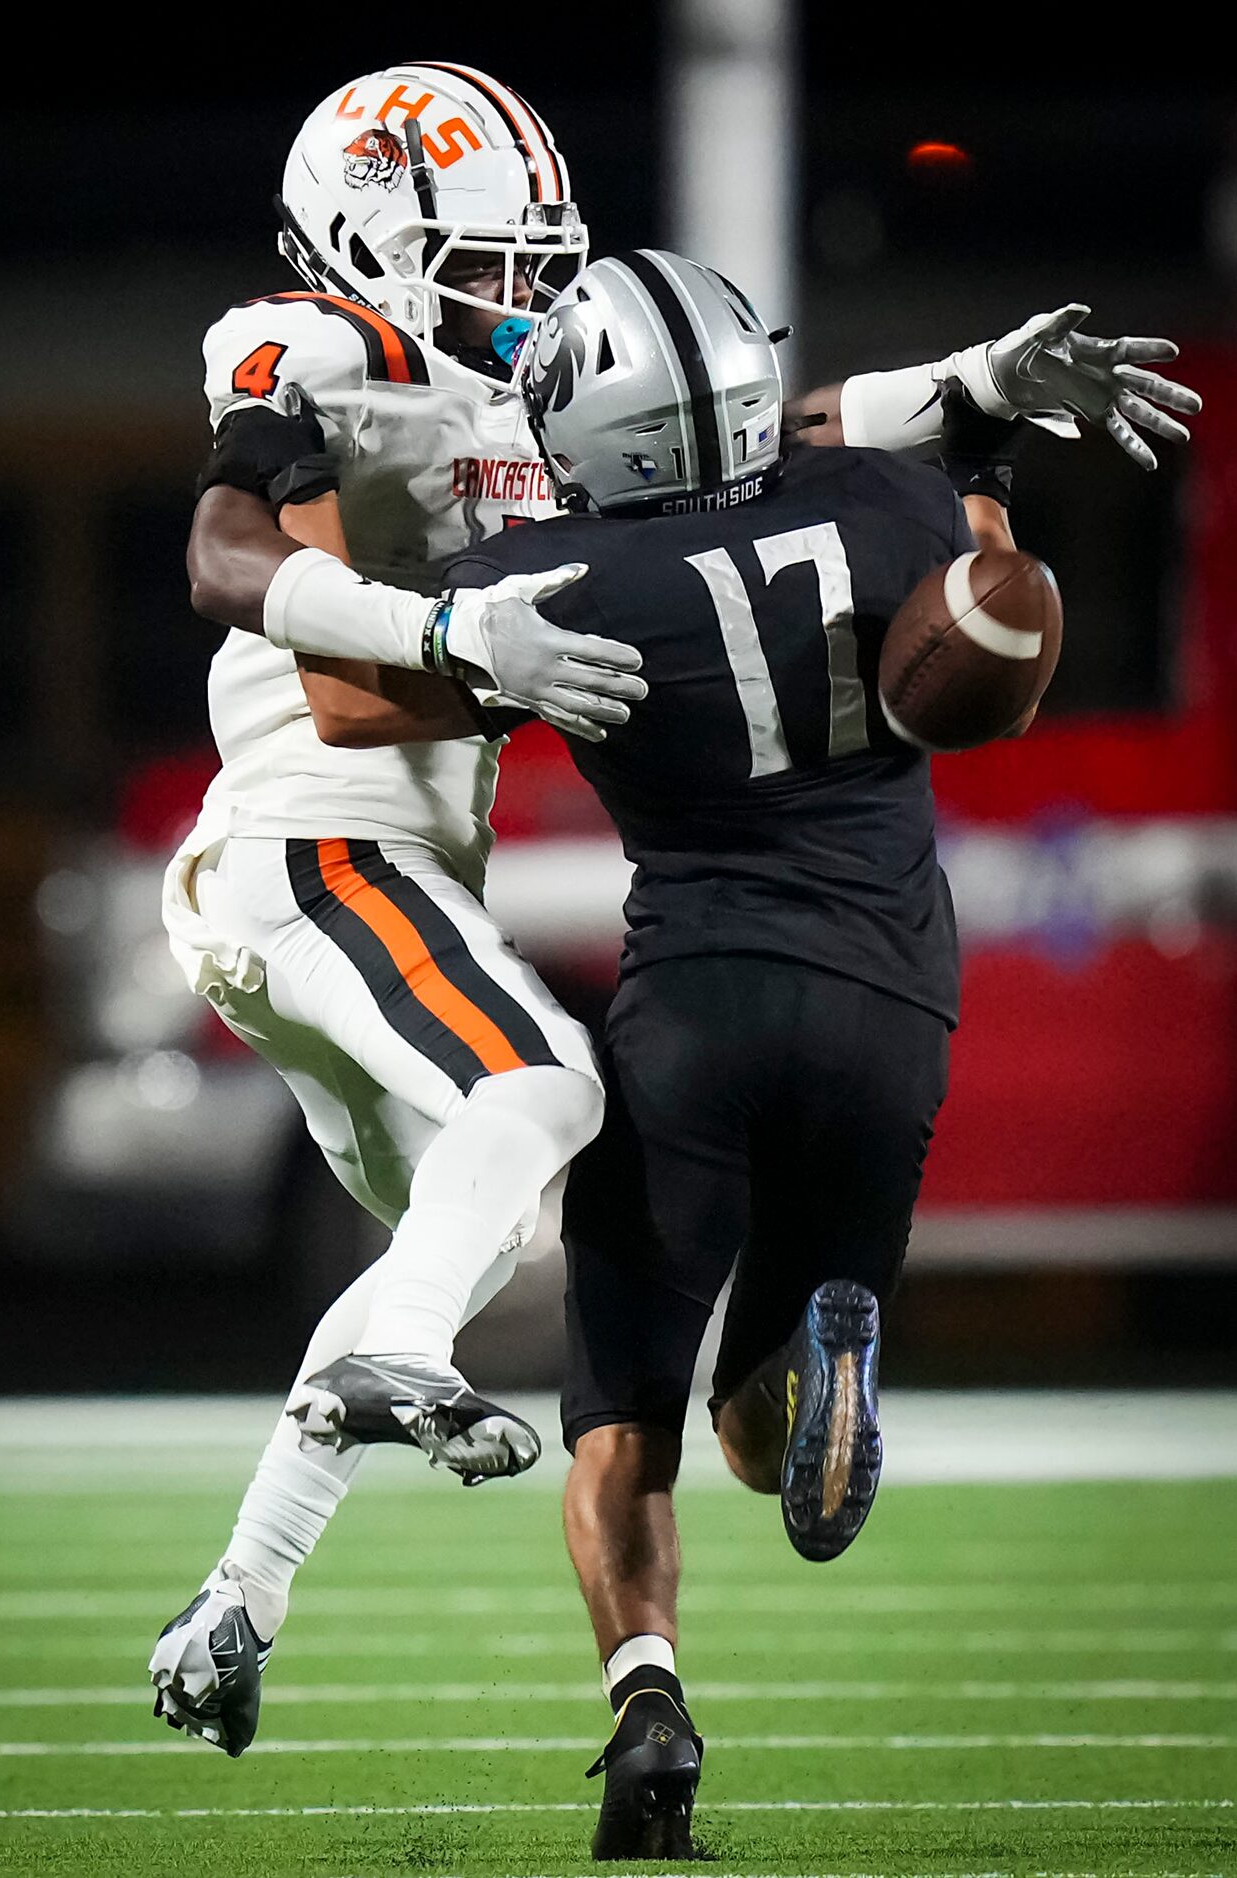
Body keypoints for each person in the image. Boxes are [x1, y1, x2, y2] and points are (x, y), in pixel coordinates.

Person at [147, 58, 1200, 1760]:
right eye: (484, 264)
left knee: (468, 1223)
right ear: (360, 243)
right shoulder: (311, 346)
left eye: (533, 261)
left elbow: (747, 428)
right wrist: (451, 638)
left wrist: (971, 373)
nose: (521, 298)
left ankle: (234, 1604)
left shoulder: (519, 393)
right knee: (546, 1091)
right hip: (307, 852)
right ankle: (414, 1357)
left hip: (406, 875)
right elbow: (224, 561)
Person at [441, 249, 1201, 1860]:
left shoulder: (558, 575)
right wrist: (979, 435)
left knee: (631, 1413)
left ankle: (647, 1696)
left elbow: (394, 670)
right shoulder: (889, 510)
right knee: (765, 1400)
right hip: (890, 998)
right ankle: (828, 1339)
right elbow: (983, 565)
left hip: (693, 1005)